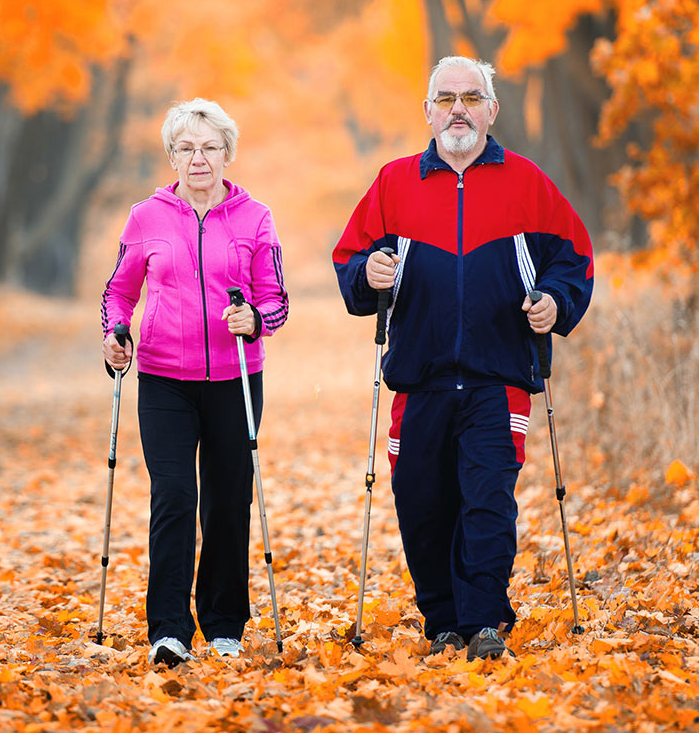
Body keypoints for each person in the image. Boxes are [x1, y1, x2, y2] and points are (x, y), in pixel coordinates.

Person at [331, 56, 594, 661]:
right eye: (446, 98)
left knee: (487, 498)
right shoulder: (395, 182)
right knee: (422, 501)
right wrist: (367, 274)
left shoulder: (526, 181)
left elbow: (572, 256)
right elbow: (350, 260)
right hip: (417, 379)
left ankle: (484, 623)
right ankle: (442, 620)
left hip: (498, 377)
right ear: (427, 112)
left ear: (491, 111)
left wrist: (555, 301)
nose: (458, 109)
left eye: (472, 98)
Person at [101, 98, 289, 666]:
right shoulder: (145, 218)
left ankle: (226, 622)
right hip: (164, 379)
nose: (198, 158)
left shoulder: (256, 218)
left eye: (209, 148)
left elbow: (276, 300)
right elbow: (119, 291)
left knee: (229, 502)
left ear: (227, 154)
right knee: (176, 498)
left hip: (235, 377)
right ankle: (169, 630)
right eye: (186, 148)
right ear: (172, 156)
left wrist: (254, 319)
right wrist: (116, 331)